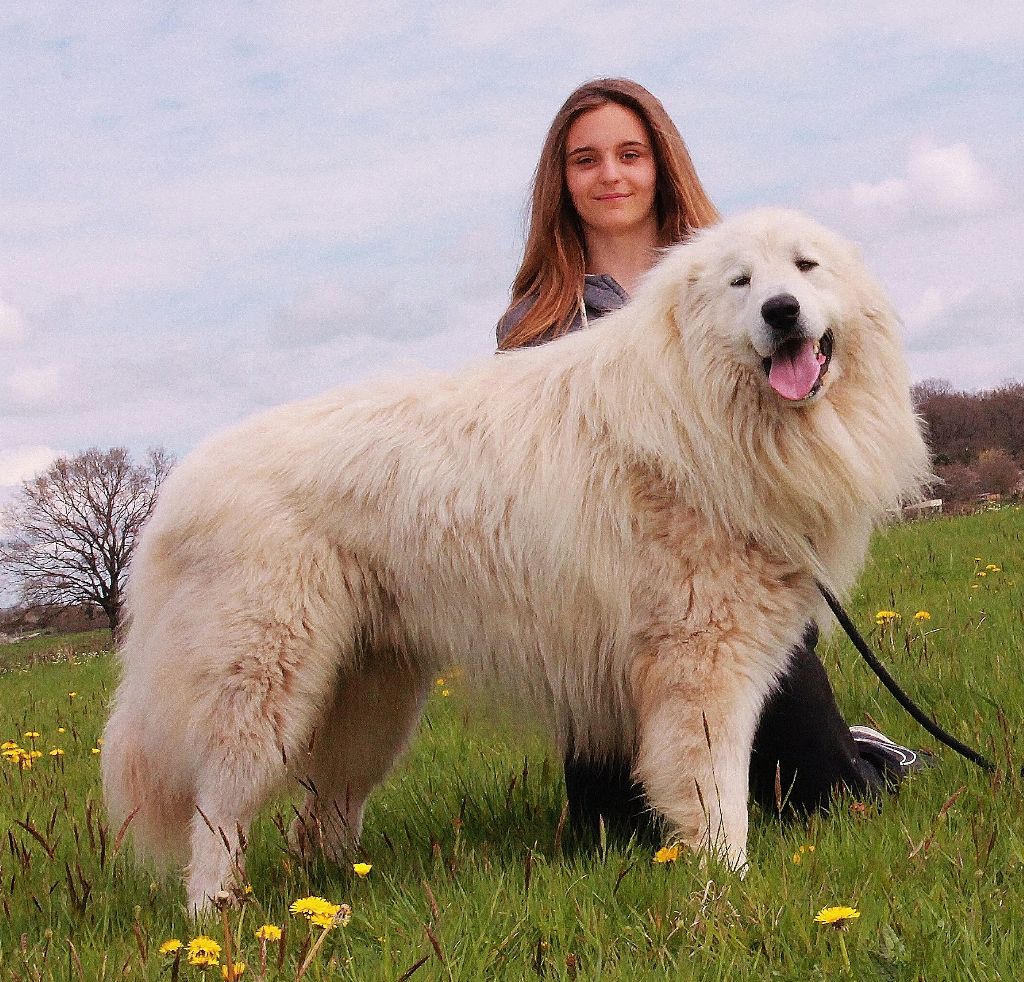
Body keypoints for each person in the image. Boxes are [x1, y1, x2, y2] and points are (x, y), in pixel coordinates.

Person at [496, 77, 925, 838]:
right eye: (586, 160)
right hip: (606, 613)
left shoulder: (740, 262)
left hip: (738, 587)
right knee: (613, 840)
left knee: (822, 800)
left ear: (660, 162)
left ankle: (857, 749)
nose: (612, 175)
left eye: (630, 153)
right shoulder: (538, 319)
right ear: (561, 182)